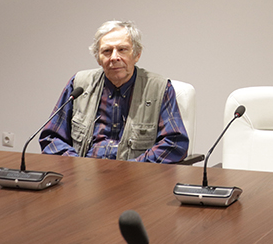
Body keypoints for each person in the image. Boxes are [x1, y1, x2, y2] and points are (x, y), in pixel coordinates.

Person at [39, 20, 189, 163]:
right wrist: (77, 164)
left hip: (135, 176)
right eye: (107, 51)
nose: (114, 57)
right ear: (98, 58)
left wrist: (132, 167)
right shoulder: (79, 84)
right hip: (83, 174)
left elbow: (175, 143)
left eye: (122, 50)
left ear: (137, 54)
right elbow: (51, 138)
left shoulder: (159, 88)